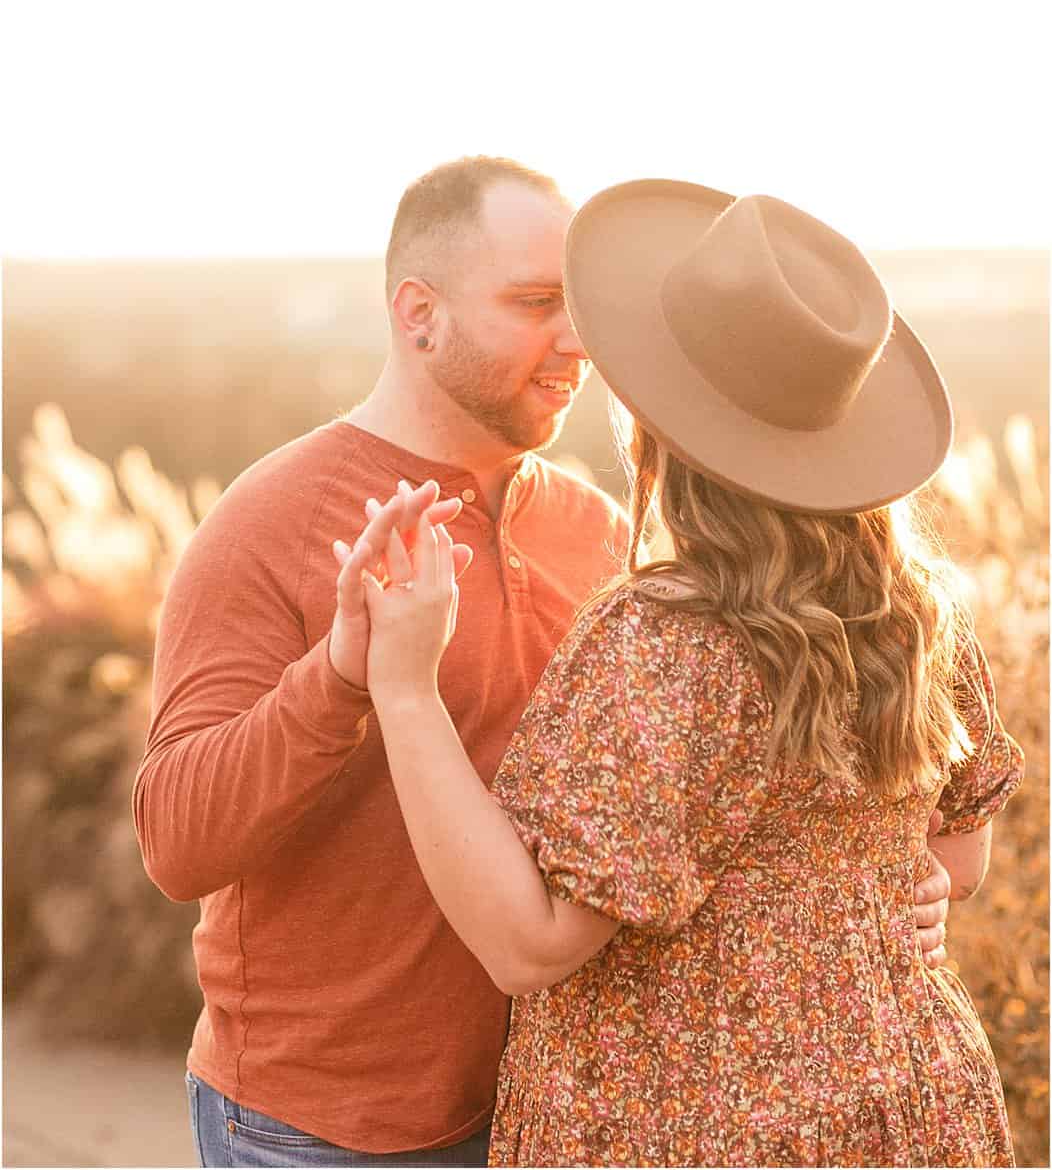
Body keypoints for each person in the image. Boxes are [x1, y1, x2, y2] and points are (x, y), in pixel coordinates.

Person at [133, 159, 952, 1167]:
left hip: (560, 1115)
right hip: (328, 1126)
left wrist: (891, 887)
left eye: (576, 303)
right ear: (417, 312)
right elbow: (176, 844)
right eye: (532, 304)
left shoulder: (596, 532)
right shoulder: (270, 523)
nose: (576, 339)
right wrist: (342, 672)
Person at [349, 179, 1024, 1168]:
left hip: (693, 1121)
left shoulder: (665, 640)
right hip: (904, 1102)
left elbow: (529, 943)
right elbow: (954, 860)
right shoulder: (915, 607)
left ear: (655, 426)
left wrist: (404, 689)